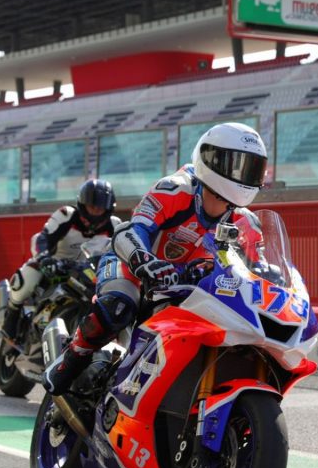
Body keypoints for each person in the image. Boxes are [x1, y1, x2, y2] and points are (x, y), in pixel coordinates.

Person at [42, 122, 268, 395]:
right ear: (210, 159)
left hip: (187, 284)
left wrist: (274, 280)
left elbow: (260, 268)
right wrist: (144, 260)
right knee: (119, 306)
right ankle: (74, 356)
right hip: (133, 265)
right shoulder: (175, 189)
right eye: (236, 165)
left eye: (251, 168)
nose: (242, 175)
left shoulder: (246, 221)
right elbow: (132, 229)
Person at [0, 179, 120, 340]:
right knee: (27, 276)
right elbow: (42, 238)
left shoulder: (115, 225)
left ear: (108, 209)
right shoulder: (66, 215)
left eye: (100, 208)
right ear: (83, 205)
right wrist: (44, 258)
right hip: (55, 266)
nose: (96, 212)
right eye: (93, 207)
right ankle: (12, 314)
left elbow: (119, 252)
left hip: (88, 272)